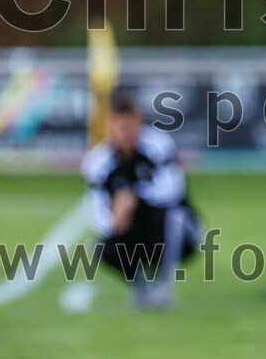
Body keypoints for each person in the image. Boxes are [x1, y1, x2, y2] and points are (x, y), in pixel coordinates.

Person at [80, 93, 200, 309]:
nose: (126, 134)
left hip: (171, 228)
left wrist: (132, 197)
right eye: (120, 127)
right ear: (109, 127)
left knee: (174, 217)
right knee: (98, 248)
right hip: (132, 229)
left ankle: (164, 286)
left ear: (139, 124)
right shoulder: (97, 162)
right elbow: (96, 211)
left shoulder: (158, 145)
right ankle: (141, 286)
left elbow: (172, 191)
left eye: (131, 127)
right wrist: (114, 221)